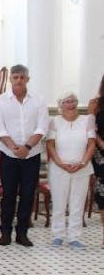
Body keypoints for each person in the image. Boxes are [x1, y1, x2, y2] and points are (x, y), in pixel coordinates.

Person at [0, 64, 49, 247]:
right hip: (9, 155)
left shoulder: (38, 100)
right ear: (10, 79)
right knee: (8, 194)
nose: (18, 80)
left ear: (27, 79)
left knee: (27, 195)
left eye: (21, 77)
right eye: (15, 77)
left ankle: (22, 233)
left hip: (31, 155)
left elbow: (42, 127)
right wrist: (15, 148)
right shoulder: (0, 101)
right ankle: (5, 232)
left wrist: (27, 147)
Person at [46, 92, 95, 249]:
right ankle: (57, 235)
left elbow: (92, 144)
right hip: (59, 169)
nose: (71, 104)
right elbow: (50, 145)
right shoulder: (54, 121)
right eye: (67, 101)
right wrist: (61, 163)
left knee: (77, 202)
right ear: (61, 105)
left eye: (73, 101)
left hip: (82, 168)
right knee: (59, 202)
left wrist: (82, 162)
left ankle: (75, 237)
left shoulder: (87, 120)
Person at [88, 75, 104, 247]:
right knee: (103, 195)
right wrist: (100, 142)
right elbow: (91, 128)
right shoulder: (95, 103)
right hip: (101, 154)